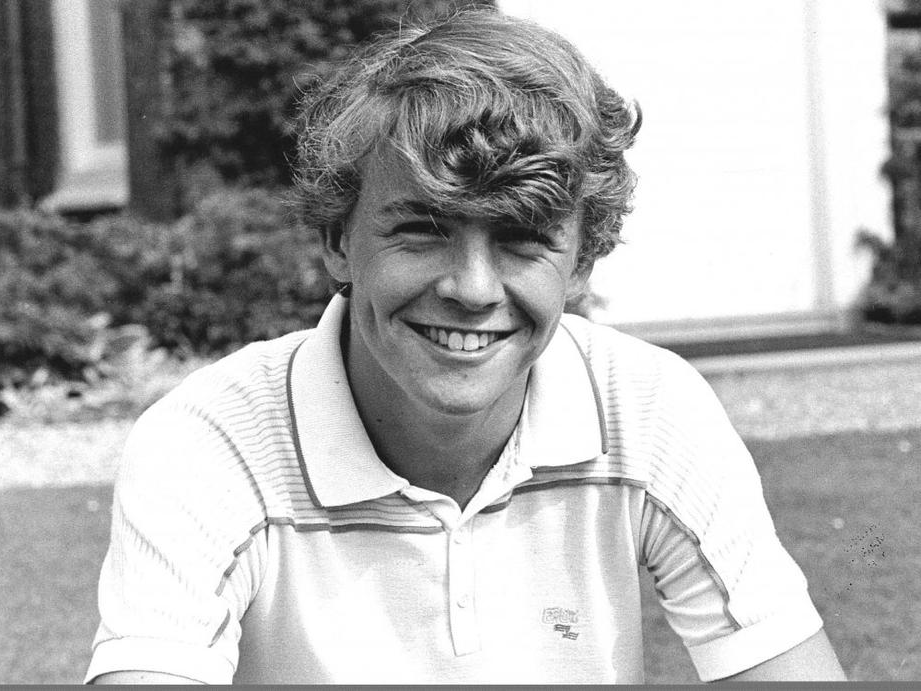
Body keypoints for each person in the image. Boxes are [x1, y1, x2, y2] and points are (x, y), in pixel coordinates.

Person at [86, 8, 845, 684]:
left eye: (521, 237)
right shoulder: (211, 442)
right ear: (337, 239)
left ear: (581, 261)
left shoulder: (647, 409)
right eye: (423, 229)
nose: (473, 289)